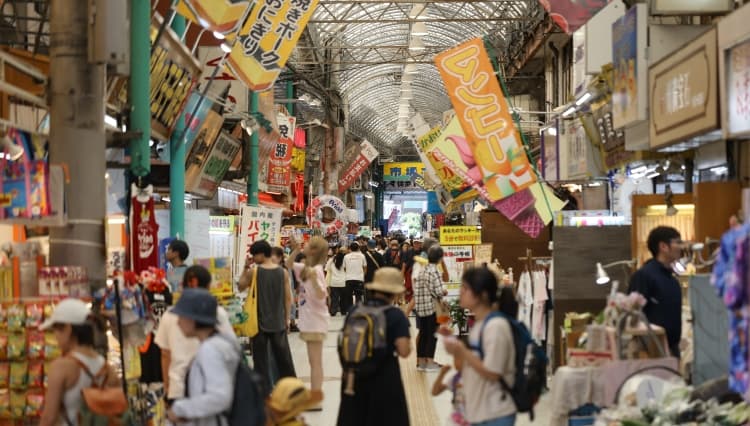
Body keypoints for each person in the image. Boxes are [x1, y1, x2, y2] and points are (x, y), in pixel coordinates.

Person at [442, 267, 517, 426]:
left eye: (465, 288)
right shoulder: (479, 324)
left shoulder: (496, 326)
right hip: (480, 412)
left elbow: (493, 372)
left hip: (495, 414)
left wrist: (462, 350)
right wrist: (453, 347)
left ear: (482, 295)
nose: (460, 292)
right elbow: (472, 362)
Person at [337, 268, 411, 426]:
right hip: (384, 379)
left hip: (354, 376)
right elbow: (404, 351)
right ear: (395, 292)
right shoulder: (395, 315)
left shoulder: (355, 310)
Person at [155, 265, 236, 405]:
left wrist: (167, 388)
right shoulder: (218, 313)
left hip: (178, 388)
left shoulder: (169, 315)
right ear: (207, 287)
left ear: (184, 285)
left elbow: (165, 354)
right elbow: (230, 349)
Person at [39, 299, 120, 426]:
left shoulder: (61, 367)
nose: (55, 337)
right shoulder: (108, 369)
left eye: (56, 330)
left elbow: (49, 418)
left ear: (68, 329)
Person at [167, 289, 241, 426]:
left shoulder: (210, 350)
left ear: (193, 319)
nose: (178, 322)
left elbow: (220, 397)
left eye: (181, 316)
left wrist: (180, 409)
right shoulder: (221, 343)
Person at [240, 240, 297, 390]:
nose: (253, 258)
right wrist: (287, 319)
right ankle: (291, 389)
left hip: (259, 323)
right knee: (284, 359)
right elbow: (288, 298)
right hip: (278, 322)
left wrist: (246, 267)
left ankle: (263, 391)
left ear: (261, 254)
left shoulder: (254, 272)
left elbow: (240, 286)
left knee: (260, 361)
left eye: (254, 255)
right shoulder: (282, 272)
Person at [627, 226, 684, 358]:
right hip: (650, 351)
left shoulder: (672, 279)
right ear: (663, 246)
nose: (681, 247)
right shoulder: (644, 276)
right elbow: (633, 314)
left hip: (671, 349)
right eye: (678, 242)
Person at [291, 236, 330, 410]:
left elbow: (322, 295)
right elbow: (288, 264)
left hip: (315, 321)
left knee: (315, 362)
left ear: (313, 250)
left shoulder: (317, 270)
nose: (304, 245)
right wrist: (295, 250)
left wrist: (314, 280)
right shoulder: (306, 268)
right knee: (313, 361)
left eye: (307, 244)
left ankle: (315, 399)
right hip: (309, 320)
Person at [414, 246, 447, 370]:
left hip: (421, 307)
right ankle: (430, 363)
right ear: (439, 258)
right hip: (432, 308)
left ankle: (421, 363)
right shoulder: (435, 271)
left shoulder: (423, 269)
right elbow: (438, 291)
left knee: (423, 335)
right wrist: (444, 291)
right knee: (432, 335)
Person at [432, 358, 468, 426]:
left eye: (459, 358)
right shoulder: (456, 378)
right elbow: (435, 392)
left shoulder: (478, 380)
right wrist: (442, 374)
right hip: (453, 421)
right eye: (455, 359)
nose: (455, 362)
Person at [342, 242, 367, 313]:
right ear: (358, 248)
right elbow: (365, 267)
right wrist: (363, 275)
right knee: (358, 295)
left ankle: (350, 310)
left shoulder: (346, 256)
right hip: (359, 278)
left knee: (349, 295)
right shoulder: (362, 256)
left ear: (350, 248)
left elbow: (344, 268)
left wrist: (348, 273)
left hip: (348, 278)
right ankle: (358, 310)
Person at [326, 247, 348, 316]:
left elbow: (327, 269)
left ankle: (333, 311)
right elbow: (347, 269)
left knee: (334, 298)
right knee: (343, 298)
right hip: (343, 282)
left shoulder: (331, 260)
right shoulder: (345, 260)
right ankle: (343, 311)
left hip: (334, 282)